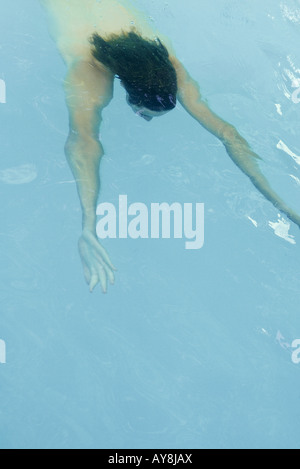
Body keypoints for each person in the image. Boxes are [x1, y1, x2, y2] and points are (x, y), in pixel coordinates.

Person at [40, 0, 300, 293]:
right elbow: (82, 142)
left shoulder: (166, 66)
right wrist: (88, 224)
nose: (146, 121)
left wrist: (284, 205)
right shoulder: (88, 71)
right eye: (143, 114)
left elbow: (227, 134)